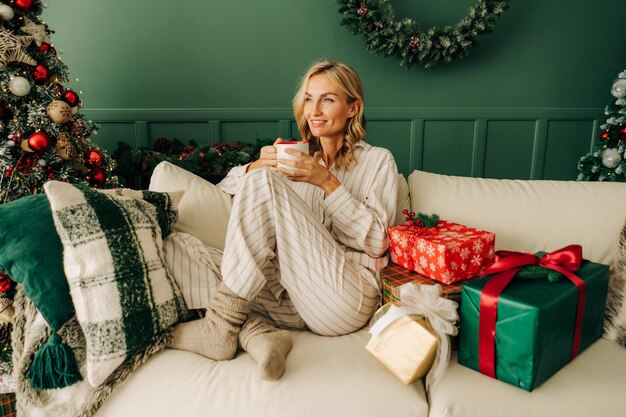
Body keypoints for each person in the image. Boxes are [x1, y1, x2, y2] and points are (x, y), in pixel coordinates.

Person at [169, 60, 399, 381]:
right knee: (179, 245)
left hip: (345, 299)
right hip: (289, 300)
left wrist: (327, 183)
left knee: (264, 185)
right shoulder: (297, 157)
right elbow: (223, 194)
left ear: (352, 107)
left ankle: (220, 328)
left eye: (327, 99)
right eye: (308, 99)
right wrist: (255, 167)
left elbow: (379, 242)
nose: (314, 110)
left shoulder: (378, 161)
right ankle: (258, 333)